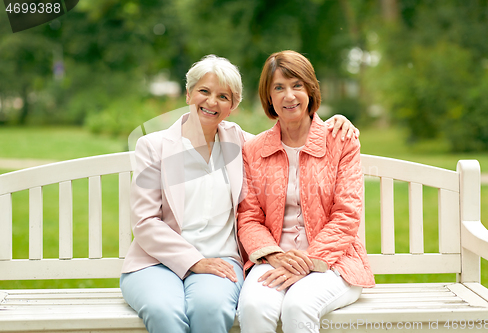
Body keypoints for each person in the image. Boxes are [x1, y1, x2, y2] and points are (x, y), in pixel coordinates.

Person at [120, 54, 359, 333]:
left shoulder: (242, 143)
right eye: (204, 92)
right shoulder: (153, 147)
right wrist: (194, 262)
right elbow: (145, 222)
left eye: (223, 96)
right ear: (188, 94)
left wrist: (337, 121)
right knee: (164, 313)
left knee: (210, 309)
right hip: (156, 262)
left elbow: (296, 131)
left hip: (220, 261)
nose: (212, 102)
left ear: (232, 105)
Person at [236, 50, 375, 333]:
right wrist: (276, 256)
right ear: (269, 97)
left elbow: (347, 215)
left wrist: (309, 261)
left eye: (297, 85)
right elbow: (249, 217)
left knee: (298, 306)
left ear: (310, 90)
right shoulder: (254, 149)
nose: (289, 96)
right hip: (274, 258)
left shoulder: (340, 140)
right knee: (252, 307)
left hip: (333, 261)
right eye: (279, 87)